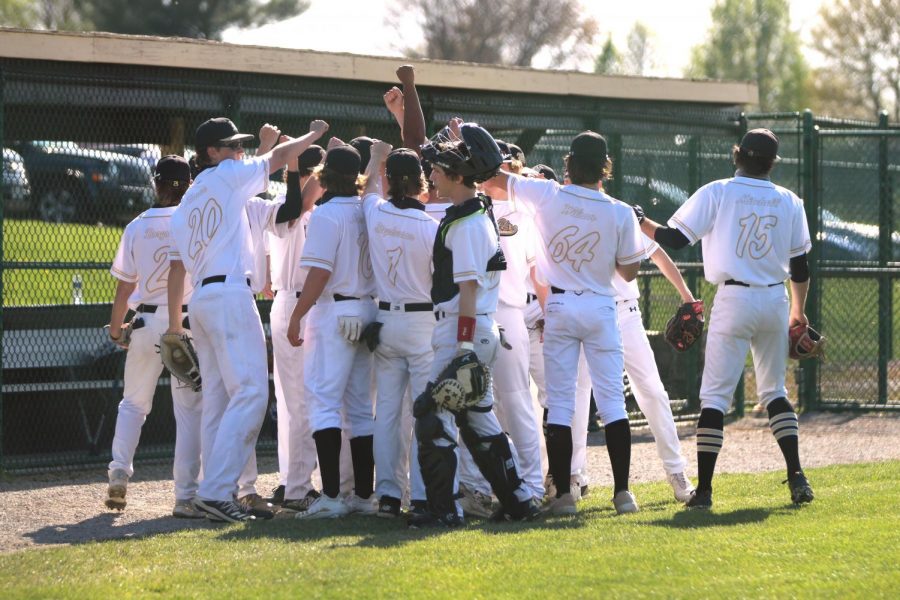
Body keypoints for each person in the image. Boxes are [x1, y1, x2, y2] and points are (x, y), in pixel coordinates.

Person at [638, 128, 815, 509]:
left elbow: (675, 238)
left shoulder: (718, 191)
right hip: (774, 299)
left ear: (738, 155)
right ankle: (797, 476)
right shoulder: (790, 201)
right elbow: (800, 266)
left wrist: (640, 220)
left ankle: (703, 491)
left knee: (715, 398)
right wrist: (798, 312)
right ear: (771, 162)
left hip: (734, 299)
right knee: (775, 393)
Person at [167, 117, 329, 523]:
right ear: (212, 153)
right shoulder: (224, 176)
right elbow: (272, 159)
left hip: (203, 297)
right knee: (253, 393)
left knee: (219, 401)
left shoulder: (189, 200)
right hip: (228, 295)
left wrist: (284, 161)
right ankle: (218, 491)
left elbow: (286, 202)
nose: (239, 151)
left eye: (241, 146)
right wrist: (313, 137)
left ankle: (211, 491)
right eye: (231, 146)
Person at [490, 131, 644, 516]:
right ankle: (622, 493)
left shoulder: (548, 195)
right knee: (611, 402)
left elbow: (495, 178)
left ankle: (563, 497)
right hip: (599, 305)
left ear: (569, 163)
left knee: (559, 403)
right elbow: (628, 271)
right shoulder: (620, 210)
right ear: (605, 167)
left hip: (558, 305)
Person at [411, 122, 541, 528]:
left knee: (432, 415)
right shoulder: (472, 213)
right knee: (479, 421)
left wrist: (463, 351)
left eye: (438, 169)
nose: (431, 175)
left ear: (456, 174)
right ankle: (519, 500)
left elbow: (467, 291)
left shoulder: (467, 223)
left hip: (461, 330)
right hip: (472, 329)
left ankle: (443, 509)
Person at [104, 155, 202, 519]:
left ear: (156, 184)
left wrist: (117, 327)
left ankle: (118, 472)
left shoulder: (137, 225)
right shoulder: (192, 221)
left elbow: (125, 285)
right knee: (189, 411)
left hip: (144, 322)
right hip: (186, 322)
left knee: (133, 404)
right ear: (189, 184)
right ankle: (185, 495)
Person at [287, 143, 378, 520]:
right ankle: (363, 495)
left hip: (334, 312)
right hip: (367, 308)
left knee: (323, 403)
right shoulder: (369, 208)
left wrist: (296, 315)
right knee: (359, 408)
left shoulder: (326, 214)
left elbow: (319, 273)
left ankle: (331, 496)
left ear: (325, 176)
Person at [360, 140, 436, 518]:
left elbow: (369, 189)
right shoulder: (432, 226)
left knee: (386, 414)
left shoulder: (374, 212)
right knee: (424, 412)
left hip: (386, 319)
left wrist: (376, 158)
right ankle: (422, 496)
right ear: (421, 183)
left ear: (391, 180)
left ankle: (389, 496)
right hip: (423, 323)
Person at [267, 143, 327, 512]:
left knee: (292, 401)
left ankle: (292, 480)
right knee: (300, 400)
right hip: (296, 304)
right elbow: (302, 203)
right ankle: (298, 486)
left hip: (289, 302)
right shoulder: (292, 205)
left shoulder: (297, 206)